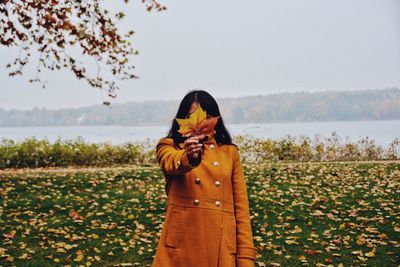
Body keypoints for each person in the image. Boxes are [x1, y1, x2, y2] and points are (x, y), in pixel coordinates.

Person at [151, 90, 258, 267]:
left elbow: (241, 208)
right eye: (191, 116)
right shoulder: (169, 146)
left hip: (221, 245)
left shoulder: (229, 152)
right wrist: (189, 156)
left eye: (207, 117)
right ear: (182, 119)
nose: (200, 123)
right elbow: (170, 163)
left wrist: (246, 256)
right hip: (181, 246)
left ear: (216, 119)